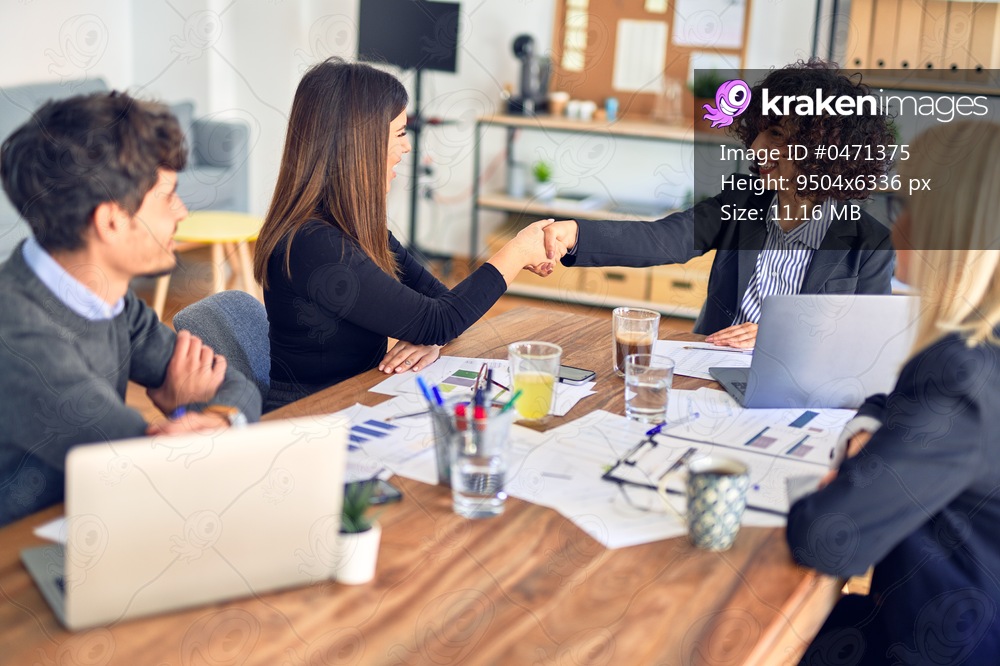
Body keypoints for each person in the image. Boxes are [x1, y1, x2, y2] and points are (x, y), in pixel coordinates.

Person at [787, 120, 1000, 664]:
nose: (896, 225)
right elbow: (898, 407)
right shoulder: (982, 349)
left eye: (906, 205)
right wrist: (869, 431)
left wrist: (857, 468)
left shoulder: (959, 373)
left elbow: (826, 536)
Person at [0, 92, 262, 527]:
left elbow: (233, 384)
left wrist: (219, 417)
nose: (182, 212)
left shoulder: (109, 299)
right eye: (168, 196)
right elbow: (146, 466)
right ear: (112, 221)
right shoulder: (17, 336)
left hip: (94, 523)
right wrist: (187, 413)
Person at [253, 58, 553, 411]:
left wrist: (430, 339)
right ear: (360, 144)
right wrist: (517, 252)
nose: (407, 147)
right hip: (311, 417)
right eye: (399, 134)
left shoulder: (353, 229)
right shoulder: (314, 245)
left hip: (357, 398)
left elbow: (441, 306)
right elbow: (440, 319)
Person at [540, 59, 895, 348]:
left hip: (795, 385)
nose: (755, 147)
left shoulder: (870, 244)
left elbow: (864, 343)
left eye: (776, 135)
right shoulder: (741, 199)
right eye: (758, 131)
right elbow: (664, 238)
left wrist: (781, 337)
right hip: (710, 367)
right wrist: (576, 234)